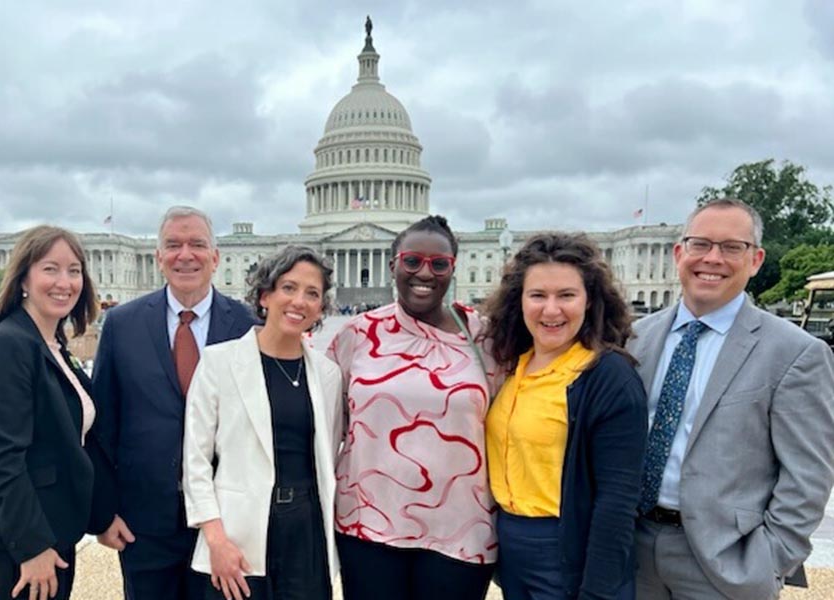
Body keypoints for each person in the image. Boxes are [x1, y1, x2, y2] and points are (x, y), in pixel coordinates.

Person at [628, 198, 834, 599]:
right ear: (679, 253)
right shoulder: (636, 337)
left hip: (725, 563)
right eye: (701, 244)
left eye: (731, 247)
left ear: (755, 259)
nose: (713, 258)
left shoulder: (795, 353)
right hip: (633, 550)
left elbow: (808, 474)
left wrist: (770, 559)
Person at [327, 215, 497, 600]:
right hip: (367, 522)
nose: (425, 273)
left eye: (439, 264)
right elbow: (328, 427)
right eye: (412, 261)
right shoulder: (356, 334)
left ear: (453, 267)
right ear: (394, 265)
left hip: (461, 527)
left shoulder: (487, 338)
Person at [89, 206, 255, 600]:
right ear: (158, 257)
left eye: (197, 244)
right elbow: (103, 425)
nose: (186, 255)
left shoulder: (248, 325)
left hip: (225, 521)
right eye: (173, 245)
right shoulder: (122, 324)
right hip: (143, 522)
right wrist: (102, 512)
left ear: (215, 258)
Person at [482, 232, 647, 600]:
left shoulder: (607, 377)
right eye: (538, 295)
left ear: (589, 301)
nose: (551, 310)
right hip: (512, 545)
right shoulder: (513, 366)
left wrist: (597, 591)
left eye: (566, 295)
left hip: (565, 549)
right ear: (519, 301)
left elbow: (617, 501)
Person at [183, 245, 342, 600]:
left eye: (312, 293)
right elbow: (195, 461)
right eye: (289, 287)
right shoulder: (218, 363)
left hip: (307, 533)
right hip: (238, 535)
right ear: (266, 295)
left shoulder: (328, 374)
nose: (299, 301)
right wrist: (216, 540)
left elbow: (329, 452)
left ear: (321, 308)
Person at [0, 225, 100, 600]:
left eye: (73, 270)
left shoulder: (52, 344)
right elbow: (1, 457)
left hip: (50, 528)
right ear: (22, 278)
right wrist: (31, 547)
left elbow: (72, 444)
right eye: (50, 268)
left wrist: (103, 515)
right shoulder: (6, 346)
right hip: (16, 538)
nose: (64, 282)